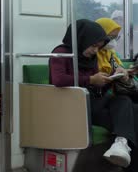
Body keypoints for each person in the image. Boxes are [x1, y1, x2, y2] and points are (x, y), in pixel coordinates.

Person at [49, 19, 137, 168]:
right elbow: (58, 79)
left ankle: (121, 144)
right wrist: (90, 79)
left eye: (98, 47)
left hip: (93, 103)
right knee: (128, 111)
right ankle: (123, 148)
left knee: (132, 111)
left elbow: (98, 89)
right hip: (74, 106)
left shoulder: (91, 58)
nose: (95, 51)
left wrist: (111, 78)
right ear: (82, 39)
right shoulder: (61, 53)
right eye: (93, 45)